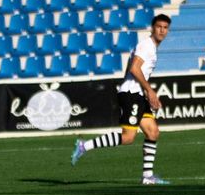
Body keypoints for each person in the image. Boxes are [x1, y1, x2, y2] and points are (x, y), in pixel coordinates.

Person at [71, 13, 172, 185]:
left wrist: (143, 91)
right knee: (128, 138)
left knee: (153, 132)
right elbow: (134, 68)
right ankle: (84, 146)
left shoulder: (151, 47)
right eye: (159, 27)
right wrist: (149, 90)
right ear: (152, 28)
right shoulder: (146, 45)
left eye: (165, 27)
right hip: (132, 94)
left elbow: (130, 66)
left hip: (138, 94)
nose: (162, 30)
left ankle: (147, 177)